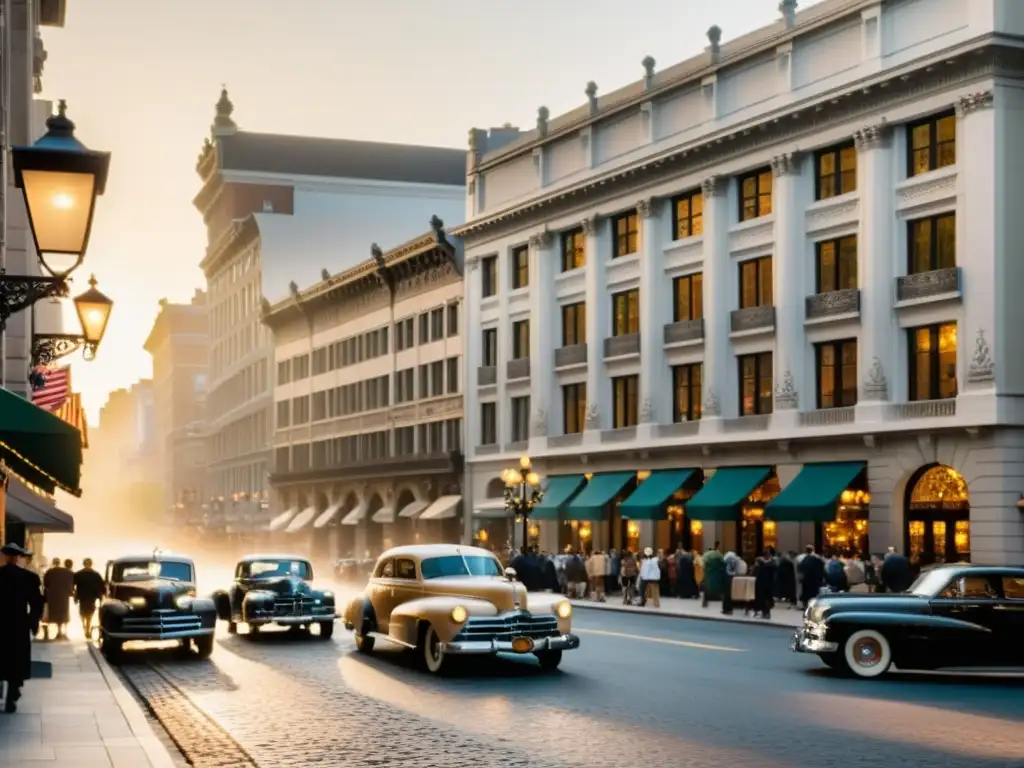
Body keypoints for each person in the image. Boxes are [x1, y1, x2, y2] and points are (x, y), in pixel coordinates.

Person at [0, 543, 44, 713]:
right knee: (16, 660)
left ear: (4, 556)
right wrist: (33, 624)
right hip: (18, 623)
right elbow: (36, 604)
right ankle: (12, 695)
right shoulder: (30, 578)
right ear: (19, 557)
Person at [73, 559, 106, 639]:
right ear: (91, 564)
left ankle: (85, 627)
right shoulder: (96, 574)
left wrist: (75, 596)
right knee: (90, 613)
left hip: (82, 595)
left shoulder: (78, 574)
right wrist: (101, 596)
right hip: (92, 596)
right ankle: (87, 628)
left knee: (82, 612)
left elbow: (73, 585)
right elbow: (102, 586)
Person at [43, 557, 74, 640]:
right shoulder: (67, 572)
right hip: (64, 595)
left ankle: (59, 630)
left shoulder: (50, 572)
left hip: (53, 595)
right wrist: (71, 592)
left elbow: (46, 584)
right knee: (64, 612)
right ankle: (63, 631)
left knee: (55, 612)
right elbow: (71, 583)